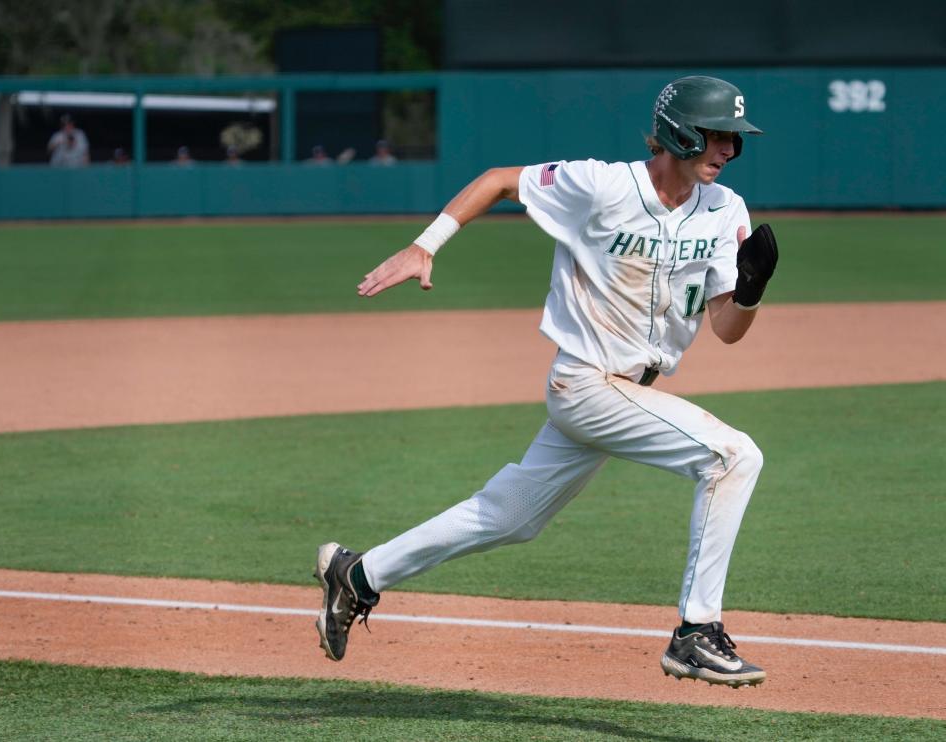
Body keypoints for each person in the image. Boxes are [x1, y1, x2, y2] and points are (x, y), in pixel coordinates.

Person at [314, 76, 779, 688]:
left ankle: (359, 574)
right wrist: (425, 246)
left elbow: (726, 328)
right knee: (733, 457)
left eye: (734, 141)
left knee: (510, 517)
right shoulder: (604, 185)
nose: (728, 150)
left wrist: (749, 291)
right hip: (586, 383)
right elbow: (501, 180)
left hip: (631, 391)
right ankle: (696, 633)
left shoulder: (726, 210)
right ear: (681, 132)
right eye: (719, 136)